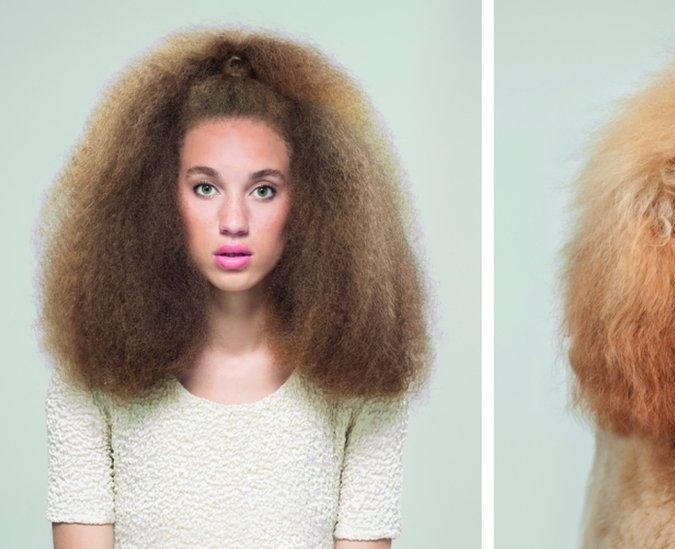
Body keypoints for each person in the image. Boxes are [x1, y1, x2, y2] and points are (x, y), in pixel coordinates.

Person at [37, 26, 430, 548]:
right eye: (205, 187)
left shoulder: (356, 382)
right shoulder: (91, 377)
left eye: (263, 189)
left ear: (312, 205)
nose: (234, 220)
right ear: (157, 197)